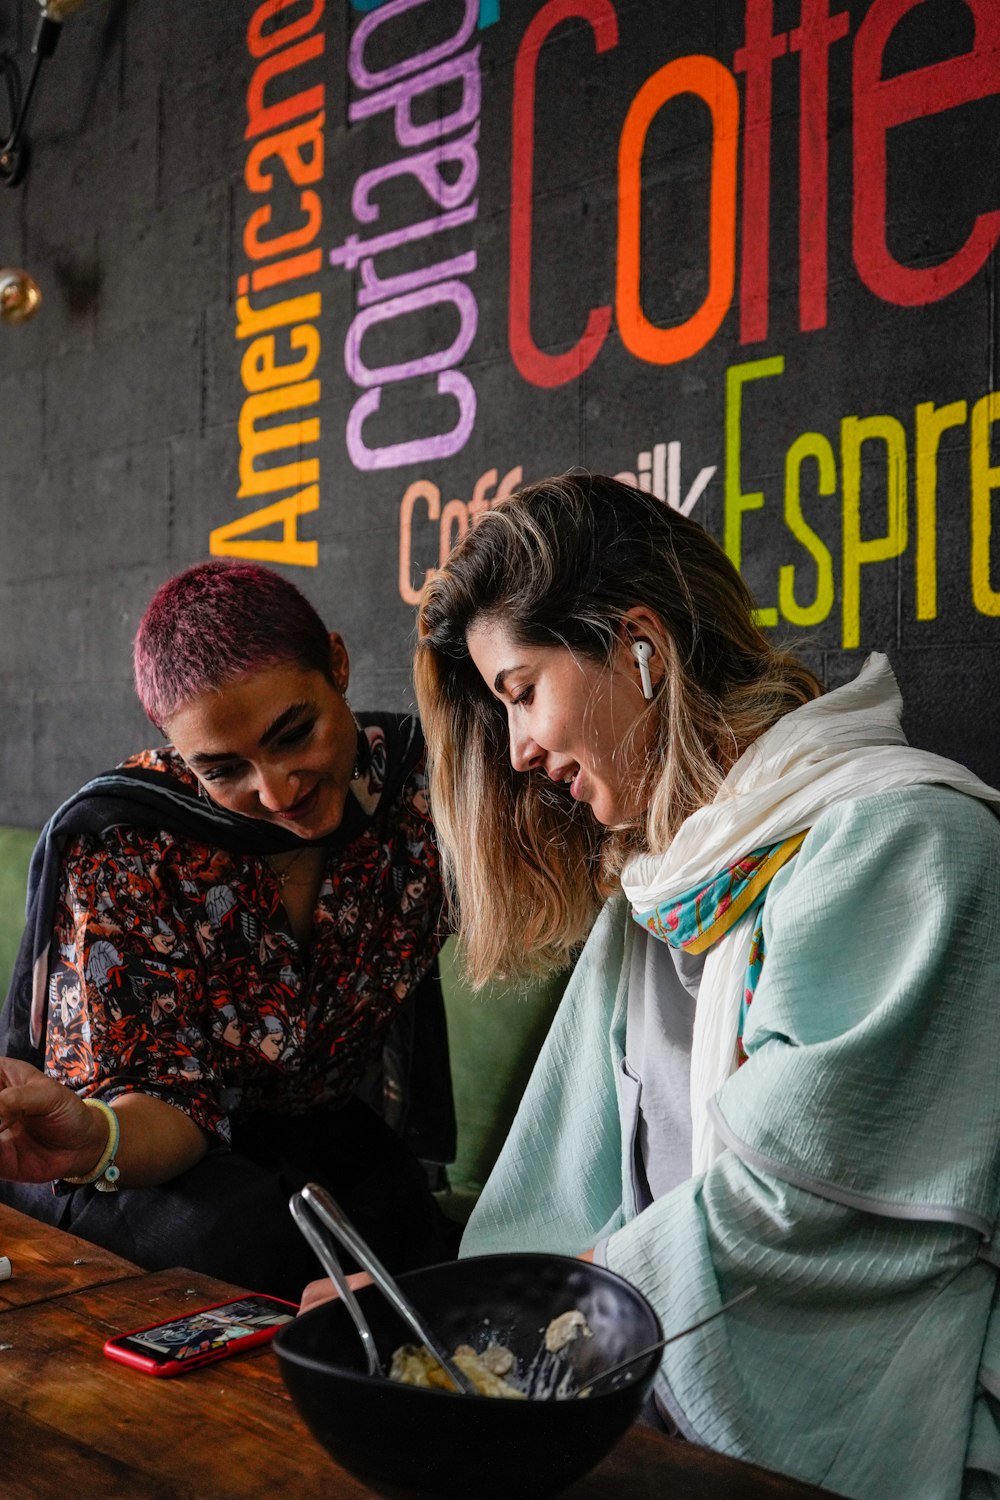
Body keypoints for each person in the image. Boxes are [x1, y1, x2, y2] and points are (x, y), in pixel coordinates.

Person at [409, 472, 1000, 1500]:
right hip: (651, 1401)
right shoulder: (660, 893)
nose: (516, 751)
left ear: (638, 644)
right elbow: (558, 1190)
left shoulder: (908, 839)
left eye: (521, 691)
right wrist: (444, 1320)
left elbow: (798, 1201)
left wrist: (524, 1329)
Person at [0, 561, 457, 1302]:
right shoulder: (129, 847)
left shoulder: (422, 794)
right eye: (222, 770)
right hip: (127, 1147)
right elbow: (161, 1103)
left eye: (294, 732)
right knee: (243, 1244)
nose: (276, 791)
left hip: (314, 1128)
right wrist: (92, 1139)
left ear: (336, 665)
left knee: (413, 1241)